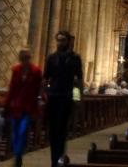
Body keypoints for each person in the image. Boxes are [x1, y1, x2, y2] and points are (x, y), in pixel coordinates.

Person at [44, 31, 83, 167]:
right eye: (58, 40)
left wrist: (77, 98)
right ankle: (54, 160)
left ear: (68, 41)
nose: (60, 43)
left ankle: (59, 157)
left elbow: (78, 80)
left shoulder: (75, 58)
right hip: (53, 96)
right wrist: (43, 95)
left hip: (66, 96)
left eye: (63, 40)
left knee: (63, 129)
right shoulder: (51, 58)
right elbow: (45, 78)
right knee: (53, 130)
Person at [3, 48, 42, 167]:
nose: (25, 59)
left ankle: (18, 154)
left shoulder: (36, 71)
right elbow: (12, 88)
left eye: (27, 57)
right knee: (15, 132)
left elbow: (39, 89)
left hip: (28, 106)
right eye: (23, 57)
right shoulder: (16, 70)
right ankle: (17, 154)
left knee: (23, 130)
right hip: (16, 106)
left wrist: (40, 103)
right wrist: (6, 105)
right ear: (20, 58)